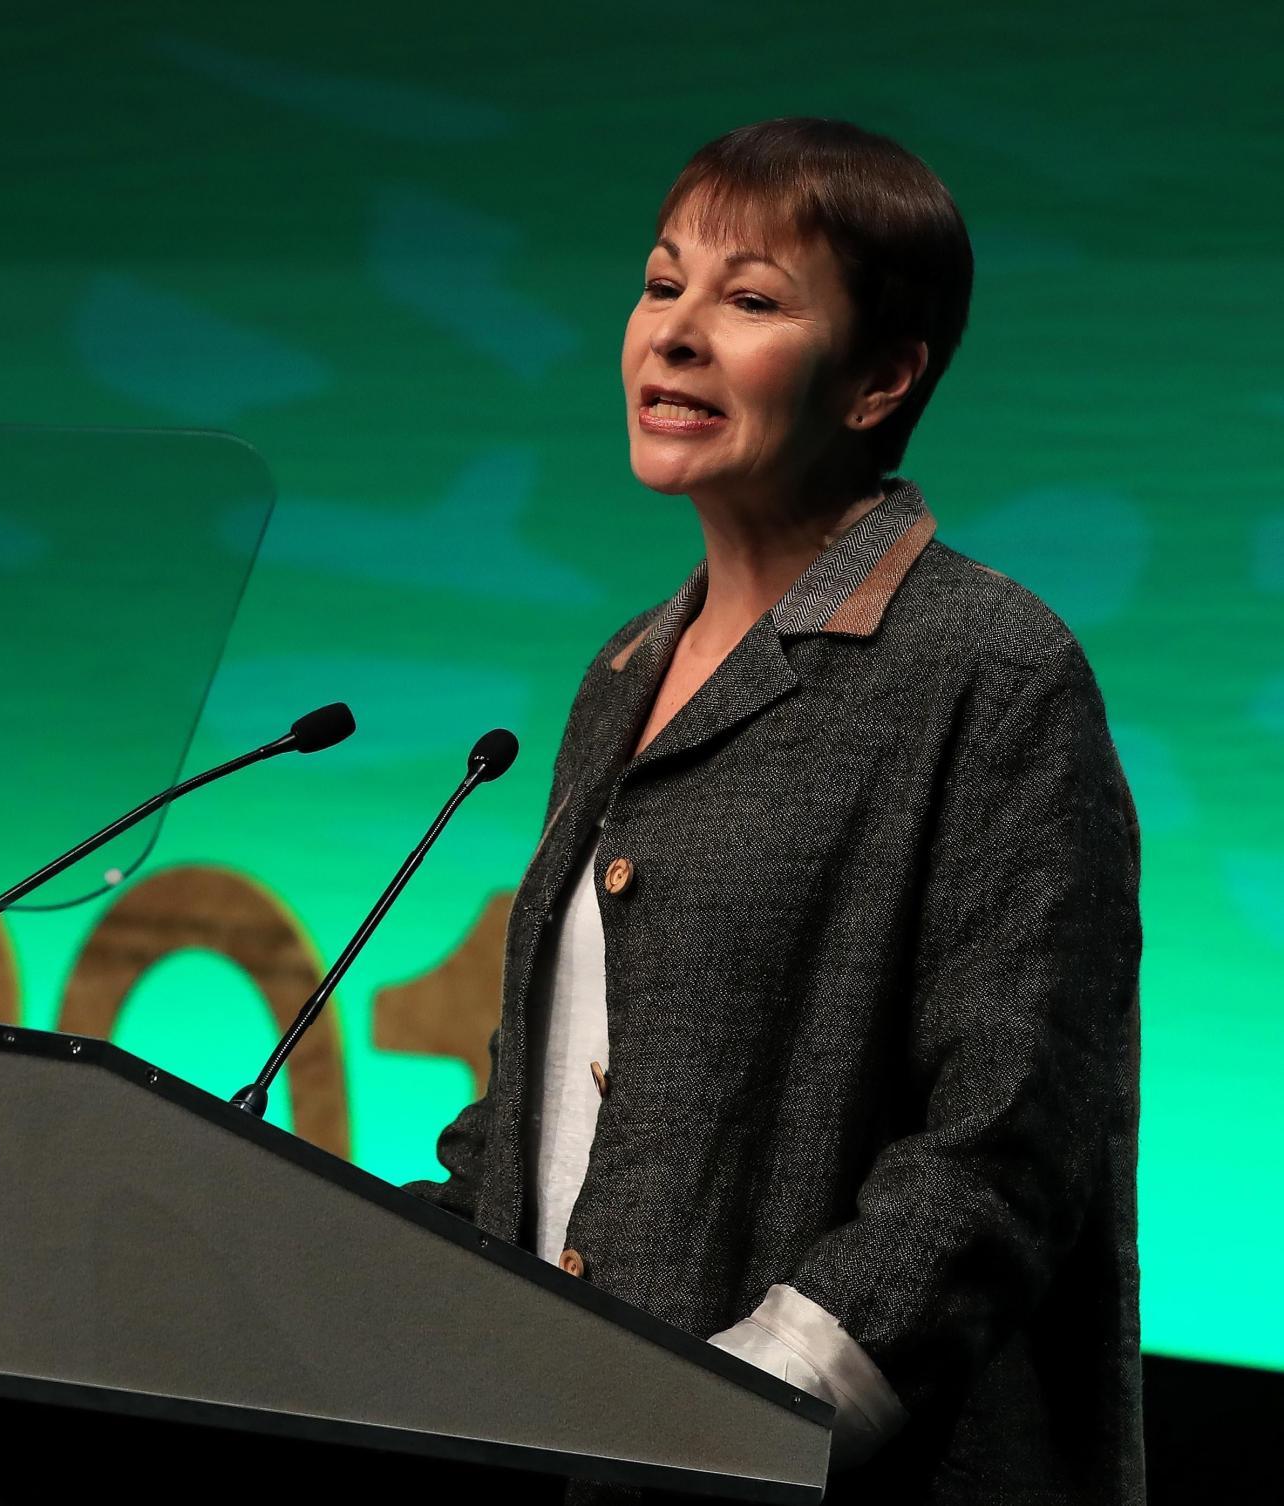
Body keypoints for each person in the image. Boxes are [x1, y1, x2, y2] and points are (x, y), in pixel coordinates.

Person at [411, 118, 1141, 1503]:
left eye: (747, 301)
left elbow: (1005, 1141)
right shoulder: (620, 673)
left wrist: (728, 1410)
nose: (673, 334)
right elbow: (541, 1107)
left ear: (878, 377)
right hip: (565, 1451)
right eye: (660, 282)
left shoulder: (990, 670)